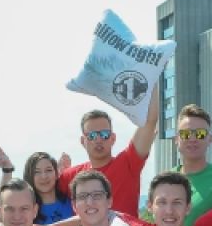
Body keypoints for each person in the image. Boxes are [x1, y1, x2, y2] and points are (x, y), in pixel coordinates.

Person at [57, 85, 162, 217]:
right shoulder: (69, 176)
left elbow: (149, 121)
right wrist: (54, 173)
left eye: (104, 134)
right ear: (83, 141)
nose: (99, 140)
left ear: (113, 138)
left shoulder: (128, 163)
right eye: (92, 136)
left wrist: (153, 78)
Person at [170, 104, 212, 226]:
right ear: (176, 139)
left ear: (209, 139)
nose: (192, 139)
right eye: (186, 134)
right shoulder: (166, 179)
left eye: (200, 134)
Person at [25, 151, 73, 225]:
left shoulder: (73, 203)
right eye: (37, 172)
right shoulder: (26, 210)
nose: (44, 176)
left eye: (48, 170)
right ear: (29, 176)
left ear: (56, 174)